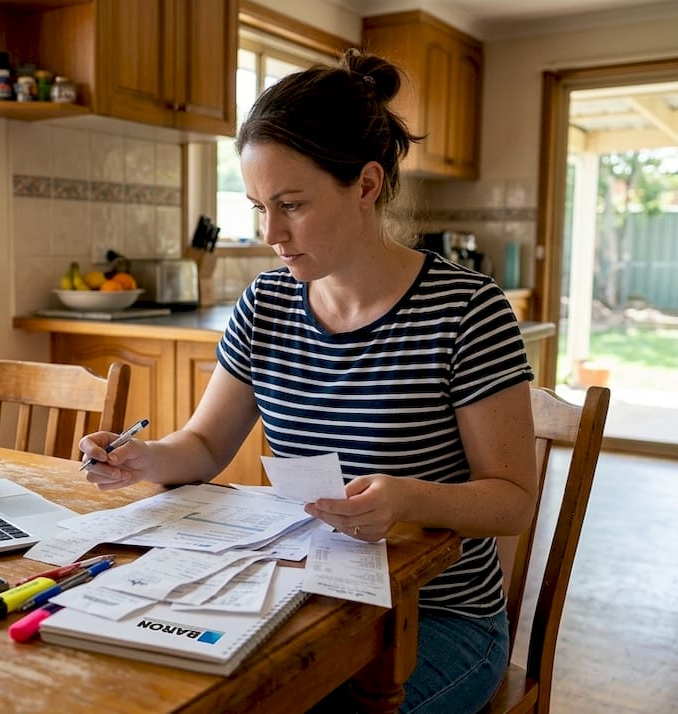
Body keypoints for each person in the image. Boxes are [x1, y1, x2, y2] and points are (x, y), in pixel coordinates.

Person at [78, 48, 537, 714]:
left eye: (291, 204)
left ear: (366, 185)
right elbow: (206, 445)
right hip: (302, 598)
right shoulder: (265, 305)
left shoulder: (467, 309)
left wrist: (406, 499)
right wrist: (143, 456)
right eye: (260, 206)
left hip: (436, 620)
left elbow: (514, 501)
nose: (272, 232)